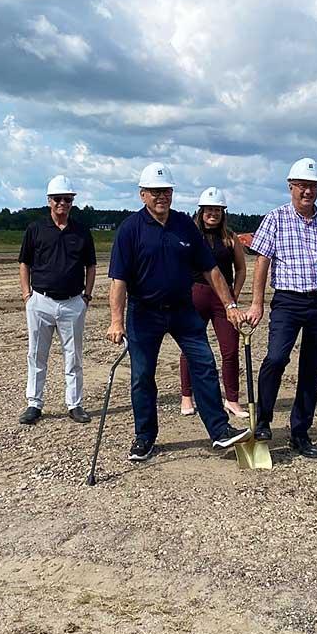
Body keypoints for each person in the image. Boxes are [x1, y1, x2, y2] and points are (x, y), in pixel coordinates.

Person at [106, 163, 251, 463]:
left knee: (204, 364)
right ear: (143, 194)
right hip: (144, 313)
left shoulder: (185, 226)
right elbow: (118, 280)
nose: (162, 197)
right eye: (156, 192)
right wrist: (116, 321)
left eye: (167, 191)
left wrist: (230, 305)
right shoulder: (129, 230)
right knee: (142, 376)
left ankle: (219, 430)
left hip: (183, 310)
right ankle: (144, 437)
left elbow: (210, 269)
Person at [245, 157, 317, 459]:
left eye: (313, 186)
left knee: (311, 368)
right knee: (276, 358)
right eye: (302, 186)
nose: (307, 191)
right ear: (291, 187)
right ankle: (263, 420)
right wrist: (257, 303)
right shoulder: (275, 218)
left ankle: (300, 432)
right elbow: (262, 263)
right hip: (288, 301)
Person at [18, 174, 96, 425]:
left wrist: (87, 296)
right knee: (37, 354)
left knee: (73, 356)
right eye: (58, 199)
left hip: (73, 302)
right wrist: (27, 295)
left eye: (68, 199)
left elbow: (91, 266)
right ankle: (34, 403)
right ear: (49, 201)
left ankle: (74, 404)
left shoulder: (82, 231)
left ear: (72, 202)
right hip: (40, 301)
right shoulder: (36, 229)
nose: (63, 203)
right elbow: (24, 263)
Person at [179, 187, 248, 418]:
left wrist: (234, 294)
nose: (213, 214)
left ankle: (232, 399)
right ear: (201, 211)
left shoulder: (230, 238)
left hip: (223, 299)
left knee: (230, 349)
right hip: (195, 295)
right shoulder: (190, 235)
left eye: (217, 210)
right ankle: (187, 396)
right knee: (190, 348)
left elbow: (240, 268)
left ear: (223, 213)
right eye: (209, 209)